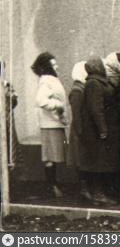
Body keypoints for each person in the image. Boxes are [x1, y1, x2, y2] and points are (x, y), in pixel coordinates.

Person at [80, 58, 120, 205]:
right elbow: (96, 108)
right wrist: (102, 129)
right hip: (97, 132)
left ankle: (101, 193)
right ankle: (98, 194)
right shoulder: (94, 83)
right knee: (99, 163)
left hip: (103, 129)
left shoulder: (99, 82)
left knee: (103, 162)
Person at [32, 52, 68, 198]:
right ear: (47, 67)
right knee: (50, 157)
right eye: (53, 64)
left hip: (54, 123)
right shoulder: (47, 81)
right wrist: (57, 105)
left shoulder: (50, 80)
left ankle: (54, 184)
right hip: (50, 124)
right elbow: (41, 101)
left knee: (53, 156)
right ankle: (52, 186)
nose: (56, 66)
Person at [67, 61, 90, 200]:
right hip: (79, 130)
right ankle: (83, 189)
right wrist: (81, 132)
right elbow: (77, 114)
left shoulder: (81, 88)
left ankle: (85, 188)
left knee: (83, 159)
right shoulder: (77, 90)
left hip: (80, 129)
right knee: (81, 160)